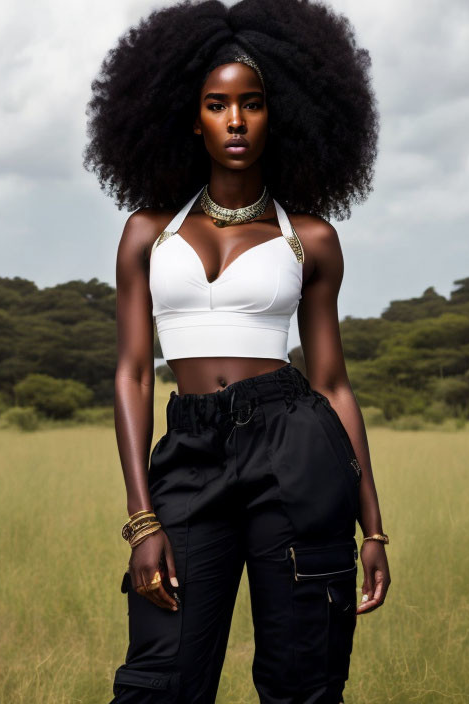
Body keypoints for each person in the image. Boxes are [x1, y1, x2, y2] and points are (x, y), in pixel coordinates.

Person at [83, 1, 390, 701]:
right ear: (190, 117)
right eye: (217, 104)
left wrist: (373, 526)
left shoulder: (308, 238)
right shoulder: (146, 234)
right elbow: (133, 372)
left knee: (303, 679)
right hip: (189, 452)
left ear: (277, 113)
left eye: (252, 104)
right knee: (161, 678)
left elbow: (334, 384)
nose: (236, 120)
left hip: (294, 448)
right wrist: (142, 519)